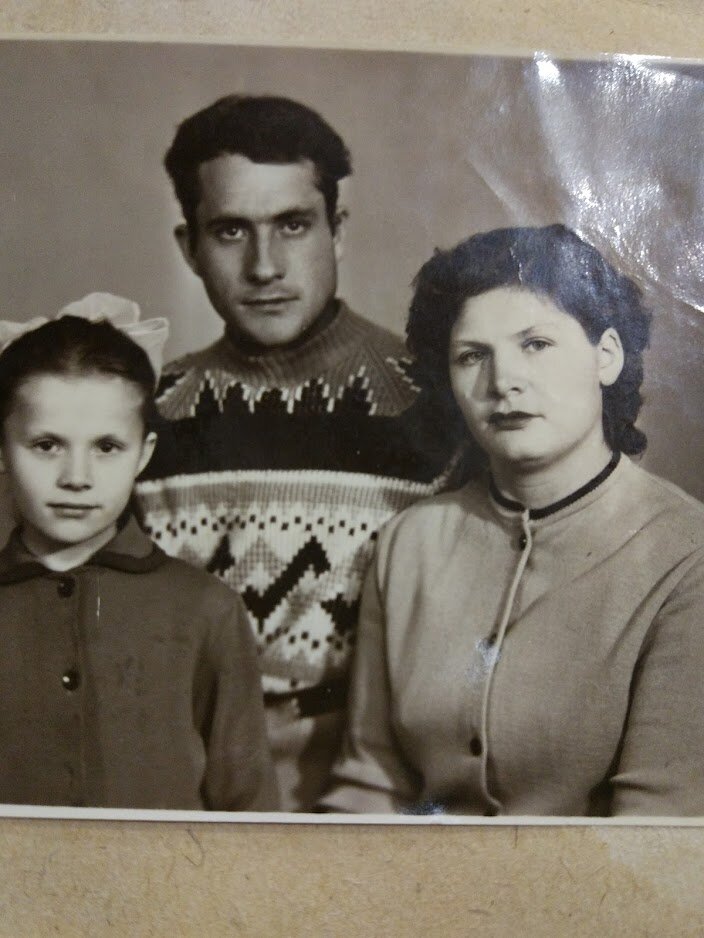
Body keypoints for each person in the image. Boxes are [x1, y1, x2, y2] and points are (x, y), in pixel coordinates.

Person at [135, 95, 455, 811]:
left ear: (337, 230)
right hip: (189, 782)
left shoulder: (439, 409)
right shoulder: (145, 416)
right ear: (188, 247)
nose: (265, 266)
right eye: (230, 231)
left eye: (293, 225)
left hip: (380, 788)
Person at [322, 224, 704, 817]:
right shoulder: (409, 543)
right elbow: (369, 785)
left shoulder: (686, 554)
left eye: (536, 344)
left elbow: (657, 830)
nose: (503, 383)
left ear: (607, 356)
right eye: (472, 356)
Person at [0, 304, 278, 810]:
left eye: (107, 447)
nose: (76, 477)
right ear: (2, 449)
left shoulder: (205, 608)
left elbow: (249, 809)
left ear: (144, 454)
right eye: (46, 445)